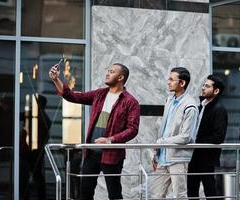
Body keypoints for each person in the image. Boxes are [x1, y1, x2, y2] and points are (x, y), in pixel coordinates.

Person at [49, 63, 140, 200]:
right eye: (108, 70)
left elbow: (133, 129)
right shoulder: (100, 94)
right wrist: (56, 79)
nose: (107, 73)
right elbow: (72, 96)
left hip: (112, 156)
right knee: (85, 193)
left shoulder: (130, 102)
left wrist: (110, 140)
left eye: (112, 71)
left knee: (114, 194)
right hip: (91, 153)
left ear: (121, 77)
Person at [151, 67, 198, 199]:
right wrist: (157, 153)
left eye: (172, 79)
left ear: (182, 83)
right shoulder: (169, 100)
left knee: (180, 195)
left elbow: (186, 137)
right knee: (157, 195)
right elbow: (165, 128)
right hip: (163, 156)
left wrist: (161, 142)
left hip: (178, 158)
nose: (168, 82)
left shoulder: (190, 106)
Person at [187, 74, 228, 199]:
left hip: (207, 157)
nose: (203, 88)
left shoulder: (219, 109)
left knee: (209, 191)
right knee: (191, 191)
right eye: (204, 85)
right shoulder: (201, 106)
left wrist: (196, 141)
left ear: (216, 91)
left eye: (207, 86)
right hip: (194, 156)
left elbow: (218, 137)